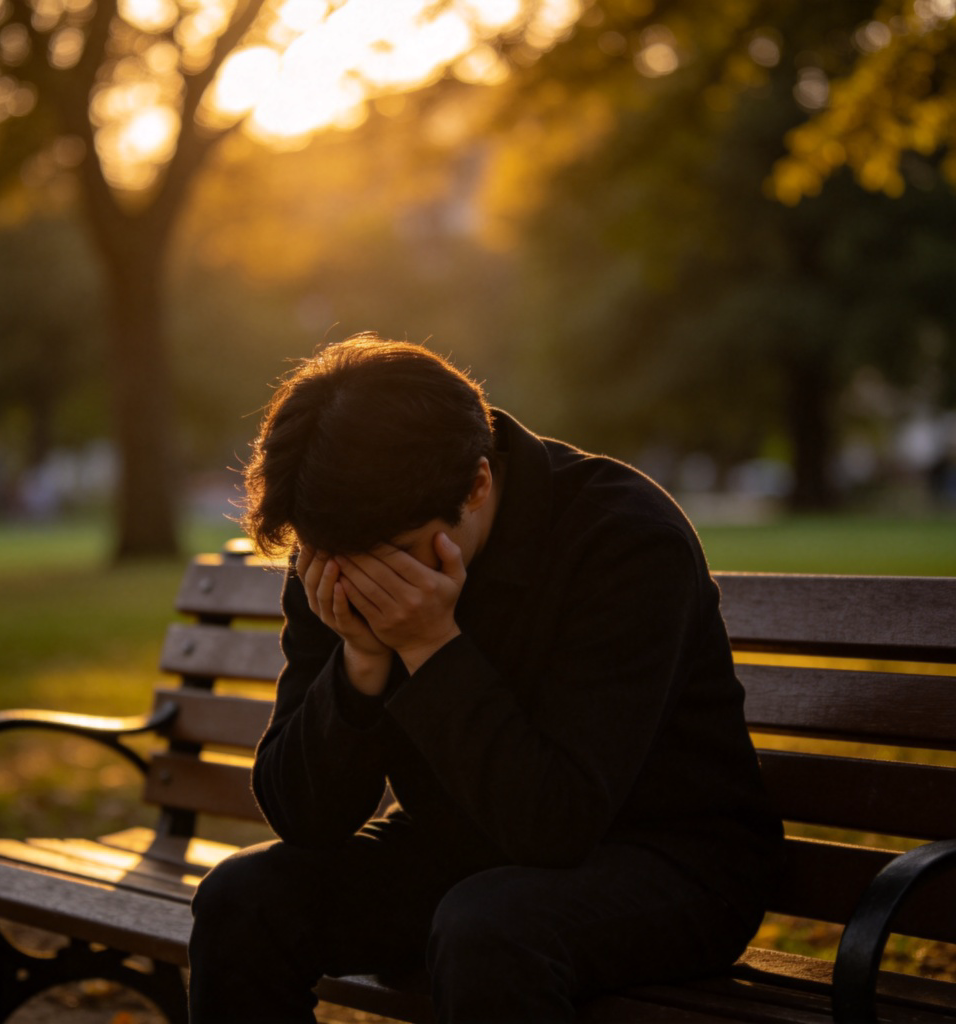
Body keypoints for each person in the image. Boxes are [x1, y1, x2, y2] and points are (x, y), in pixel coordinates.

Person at [188, 335, 783, 1024]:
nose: (364, 584)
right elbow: (302, 817)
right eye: (330, 558)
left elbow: (558, 825)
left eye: (396, 559)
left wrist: (432, 646)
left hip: (674, 863)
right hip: (463, 851)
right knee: (244, 897)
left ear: (476, 484)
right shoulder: (342, 542)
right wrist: (361, 664)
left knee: (492, 928)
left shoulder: (623, 537)